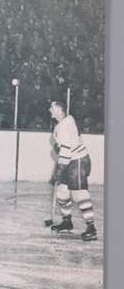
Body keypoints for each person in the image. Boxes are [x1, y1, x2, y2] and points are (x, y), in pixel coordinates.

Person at [49, 100, 97, 240]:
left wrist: (58, 171)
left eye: (52, 107)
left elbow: (66, 153)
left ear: (59, 108)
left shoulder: (65, 125)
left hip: (77, 161)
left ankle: (91, 227)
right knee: (62, 191)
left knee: (79, 194)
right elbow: (66, 145)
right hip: (71, 160)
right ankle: (67, 222)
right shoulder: (67, 120)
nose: (49, 110)